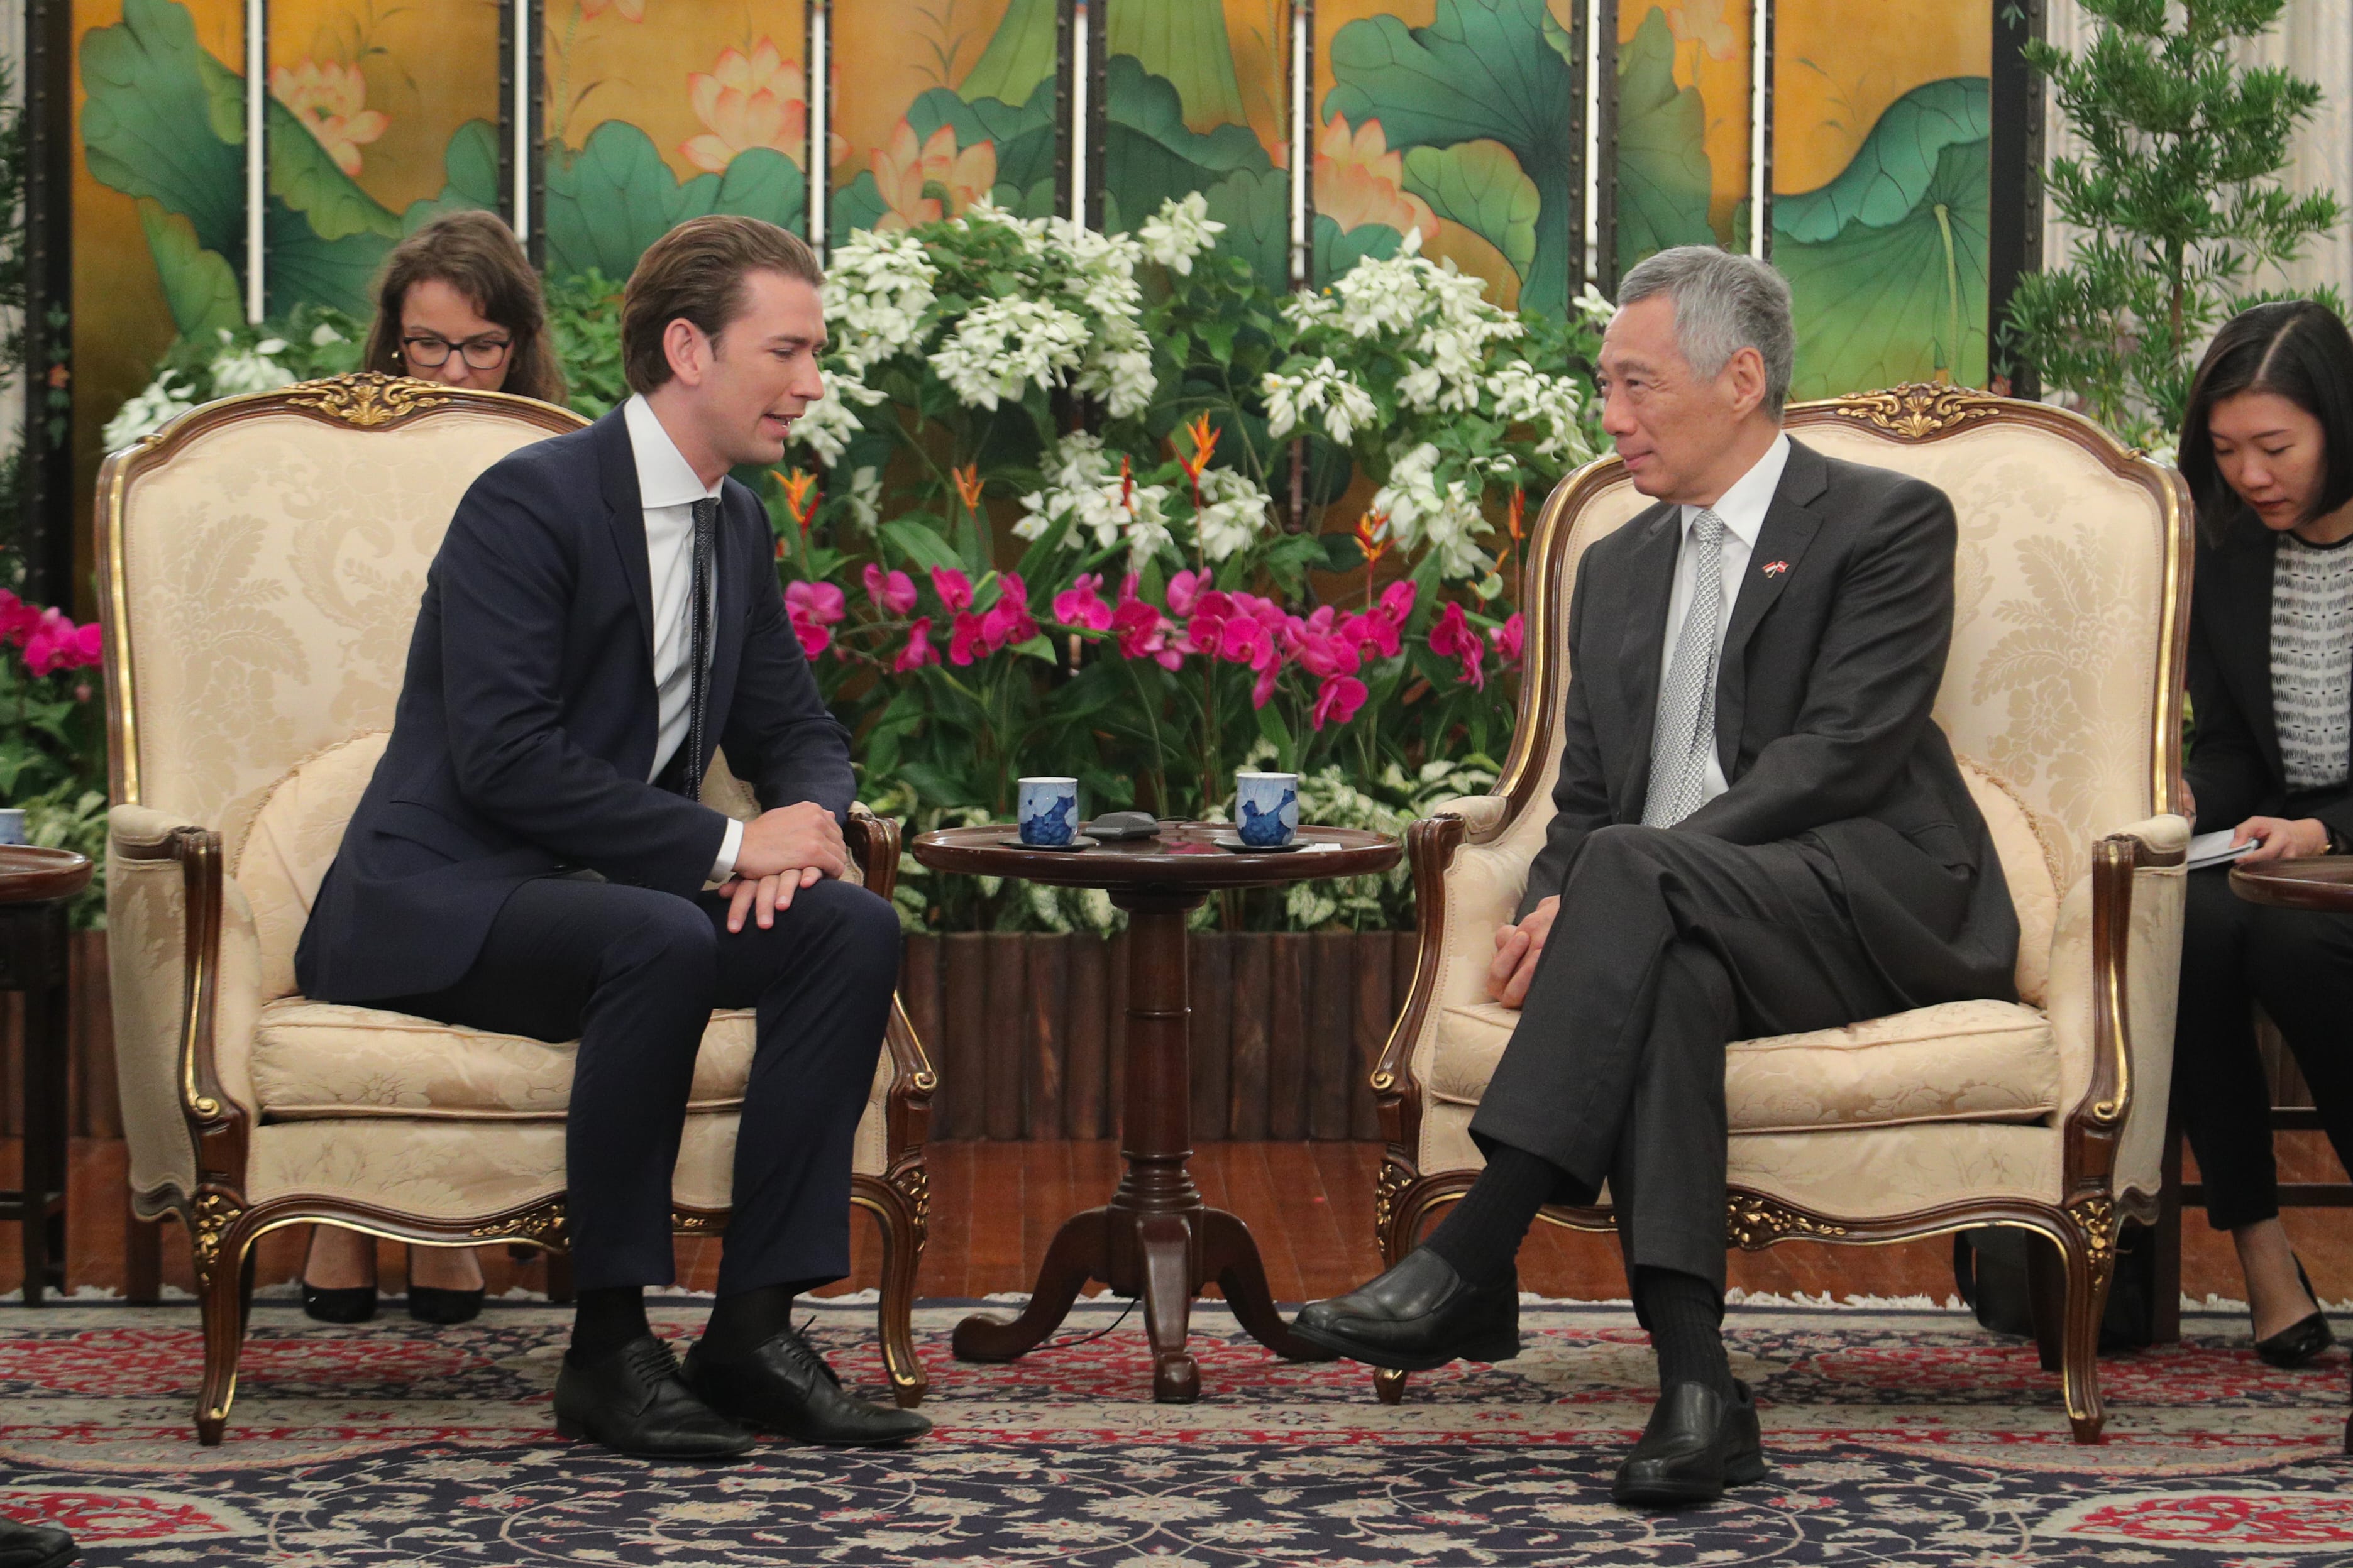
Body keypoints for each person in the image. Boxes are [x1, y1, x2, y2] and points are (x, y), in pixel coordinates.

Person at [1292, 246, 2017, 1506]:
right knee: (1664, 965)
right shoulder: (1618, 563)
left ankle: (1469, 1257)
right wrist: (1547, 905)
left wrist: (1629, 874)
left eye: (1638, 387)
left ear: (1741, 379)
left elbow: (1841, 758)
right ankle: (1699, 1390)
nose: (1611, 417)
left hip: (1865, 900)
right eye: (1606, 387)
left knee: (1639, 876)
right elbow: (1583, 803)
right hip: (1685, 923)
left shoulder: (1885, 522)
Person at [295, 214, 928, 1459]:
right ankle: (608, 1350)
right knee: (657, 937)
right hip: (445, 899)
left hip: (602, 891)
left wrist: (807, 833)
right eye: (788, 351)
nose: (811, 384)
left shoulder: (733, 523)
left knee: (846, 929)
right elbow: (508, 760)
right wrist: (731, 852)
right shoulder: (528, 503)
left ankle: (753, 1332)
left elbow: (792, 724)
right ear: (688, 349)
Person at [301, 209, 566, 1326]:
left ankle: (434, 1223)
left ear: (518, 345)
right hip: (338, 717)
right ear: (390, 342)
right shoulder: (326, 454)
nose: (451, 371)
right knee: (372, 834)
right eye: (425, 345)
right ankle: (345, 1216)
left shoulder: (558, 458)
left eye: (480, 347)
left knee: (473, 845)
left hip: (496, 742)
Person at [2169, 299, 2353, 1369]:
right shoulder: (2232, 552)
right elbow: (2235, 741)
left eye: (2275, 447)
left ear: (2337, 423)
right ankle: (2261, 1254)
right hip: (2278, 849)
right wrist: (2198, 797)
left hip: (2332, 858)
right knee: (2184, 920)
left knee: (2292, 940)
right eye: (2228, 450)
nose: (2249, 474)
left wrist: (2325, 825)